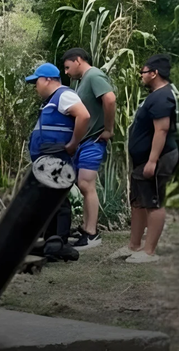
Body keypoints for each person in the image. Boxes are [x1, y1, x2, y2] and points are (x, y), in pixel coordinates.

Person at [25, 63, 90, 262]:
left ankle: (59, 243)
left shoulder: (64, 95)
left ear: (47, 80)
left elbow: (84, 115)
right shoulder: (52, 100)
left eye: (36, 81)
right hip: (47, 158)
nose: (35, 86)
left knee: (59, 200)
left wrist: (73, 143)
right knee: (49, 201)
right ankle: (49, 244)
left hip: (57, 157)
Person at [120, 55, 178, 263]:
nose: (141, 76)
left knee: (153, 202)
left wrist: (153, 161)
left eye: (143, 72)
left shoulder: (163, 97)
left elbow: (161, 131)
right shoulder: (155, 95)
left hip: (157, 159)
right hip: (142, 159)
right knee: (139, 202)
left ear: (154, 73)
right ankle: (134, 245)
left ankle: (149, 251)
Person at [62, 48, 116, 249]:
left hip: (93, 141)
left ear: (77, 60)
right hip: (85, 142)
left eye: (67, 67)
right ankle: (86, 227)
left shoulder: (94, 75)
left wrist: (109, 129)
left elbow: (109, 98)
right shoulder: (81, 81)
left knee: (86, 184)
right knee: (83, 185)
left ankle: (92, 234)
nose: (66, 72)